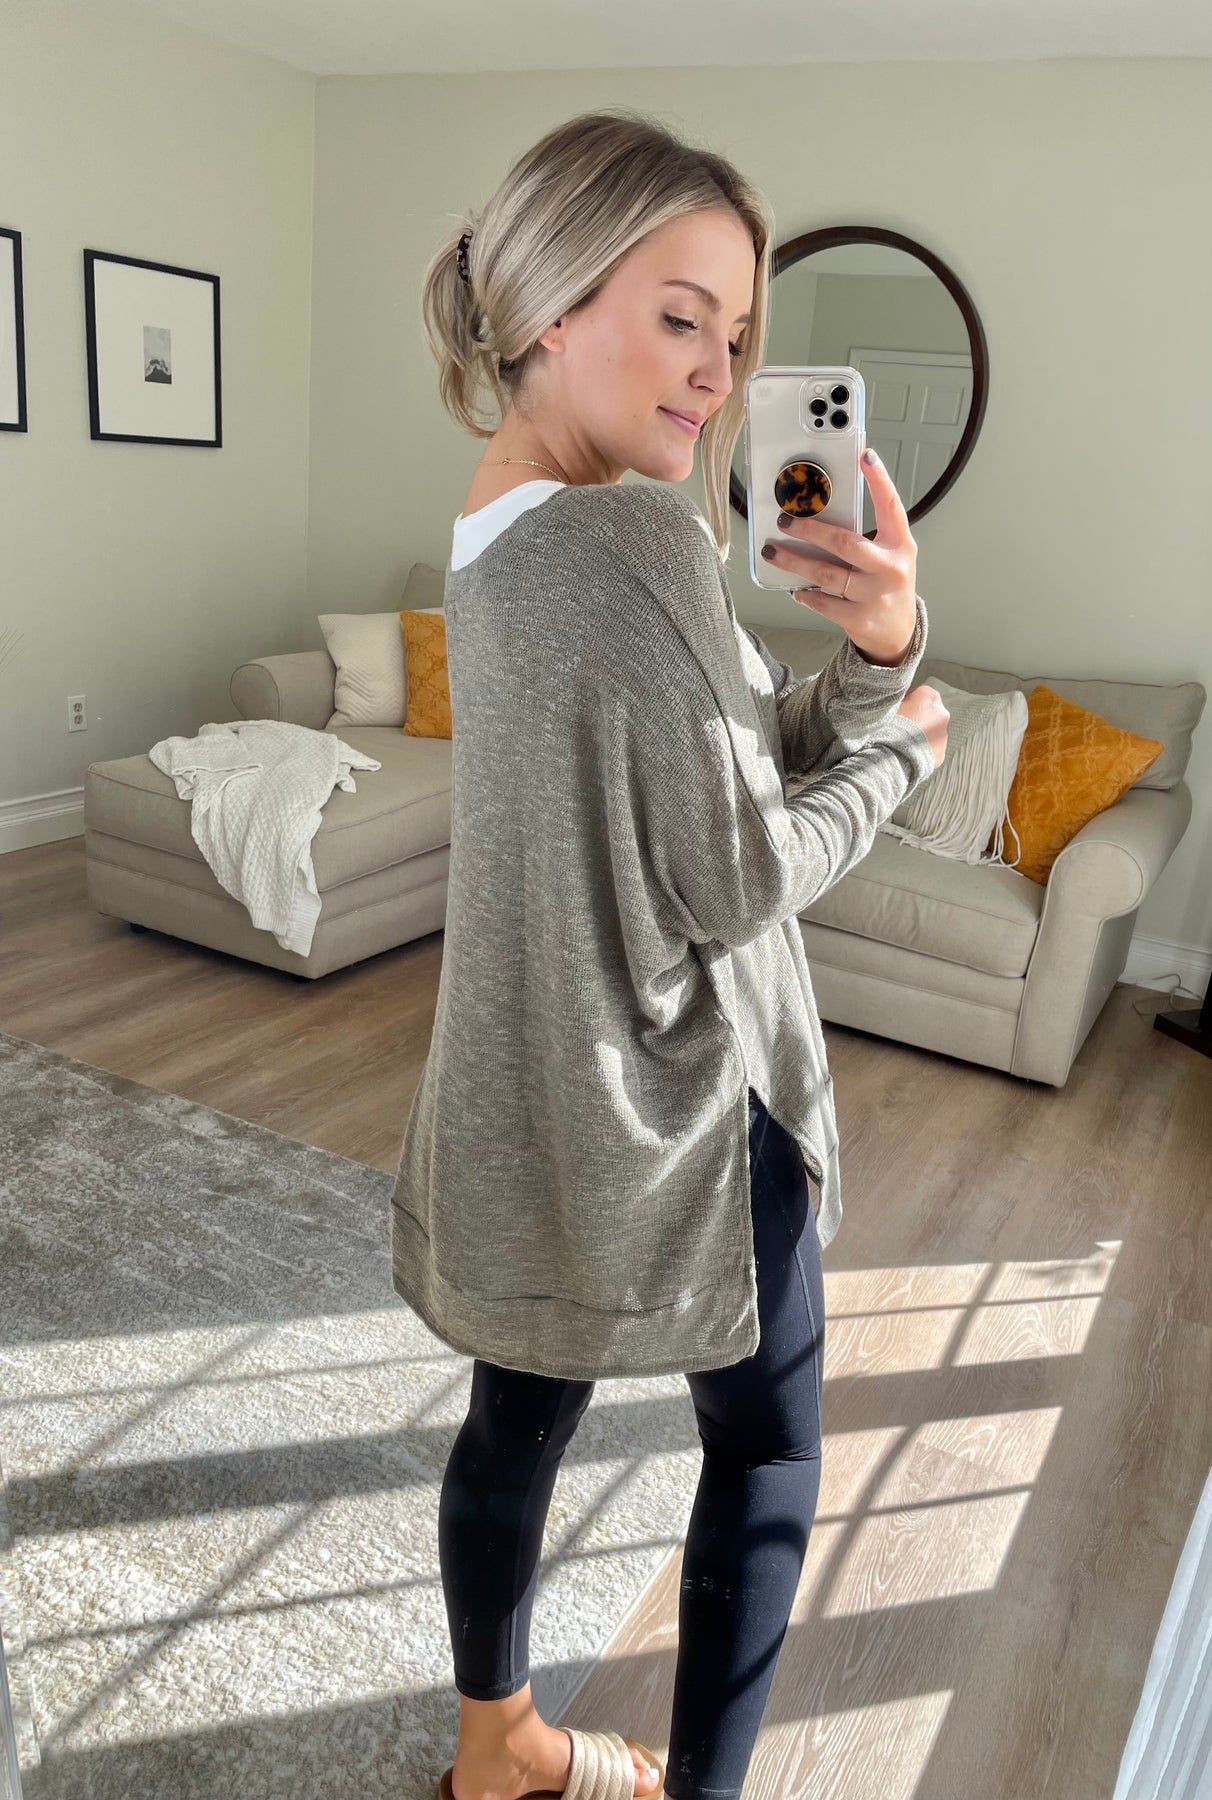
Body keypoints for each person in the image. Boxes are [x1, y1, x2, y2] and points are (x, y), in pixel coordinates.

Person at [406, 107, 950, 1800]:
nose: (720, 372)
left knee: (519, 1417)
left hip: (528, 1076)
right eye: (680, 316)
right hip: (691, 1092)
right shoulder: (634, 540)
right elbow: (740, 874)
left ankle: (498, 1748)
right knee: (768, 1452)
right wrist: (906, 751)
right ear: (552, 305)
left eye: (739, 330)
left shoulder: (502, 520)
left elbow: (718, 768)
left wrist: (875, 651)